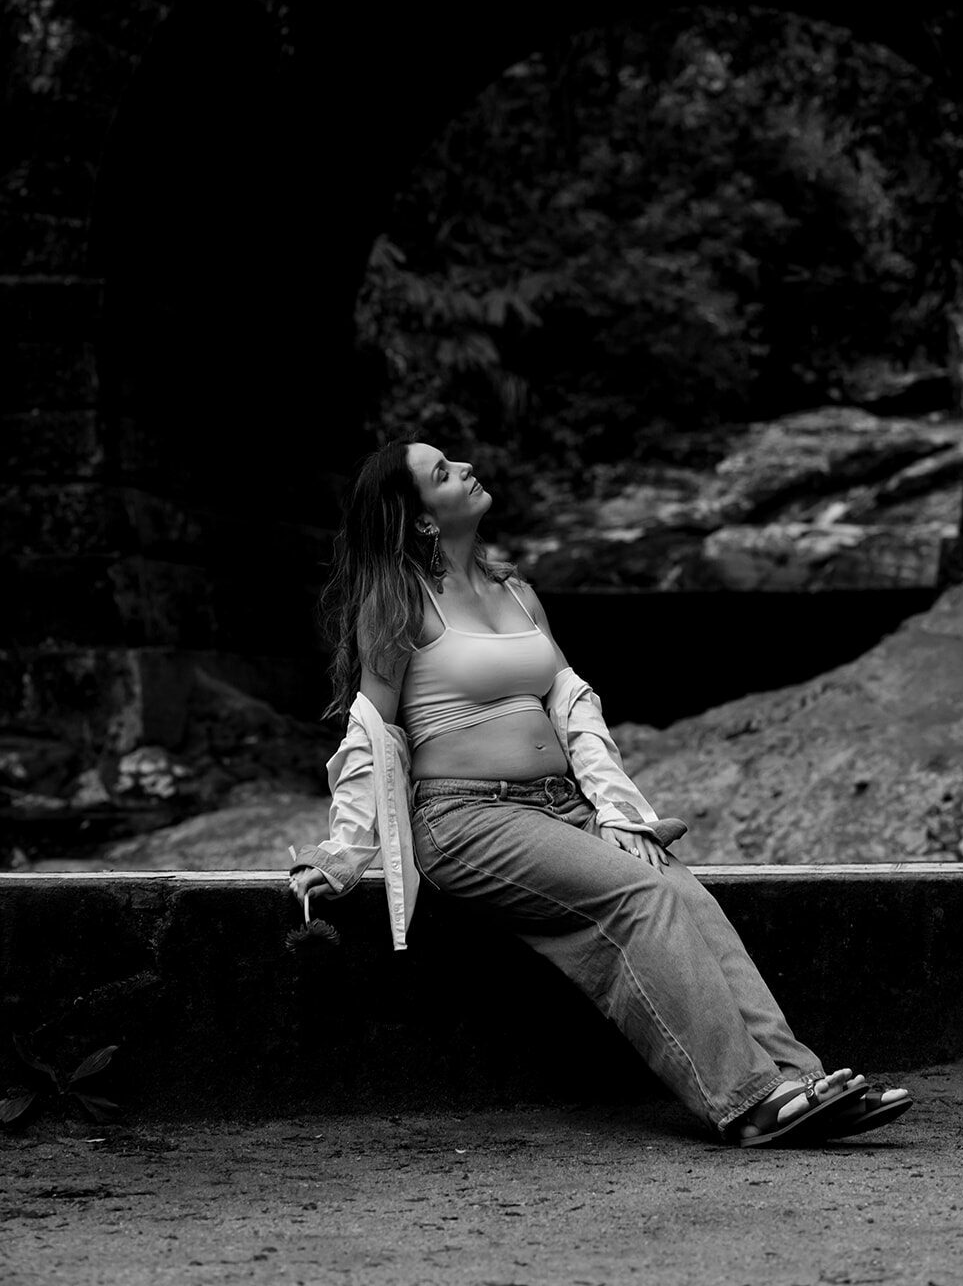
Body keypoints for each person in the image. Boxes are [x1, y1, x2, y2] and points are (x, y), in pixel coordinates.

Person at [288, 441, 912, 1148]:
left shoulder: (515, 592)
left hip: (562, 805)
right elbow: (371, 730)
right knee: (640, 895)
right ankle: (749, 1101)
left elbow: (572, 708)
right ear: (423, 519)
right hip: (465, 818)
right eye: (442, 472)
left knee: (683, 892)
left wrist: (619, 811)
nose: (464, 468)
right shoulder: (398, 603)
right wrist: (345, 851)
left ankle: (804, 1083)